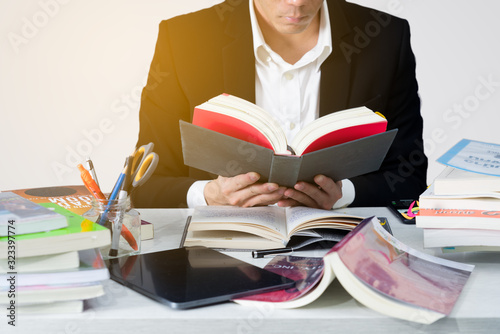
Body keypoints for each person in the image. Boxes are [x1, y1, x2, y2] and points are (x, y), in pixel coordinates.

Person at [131, 0, 428, 209]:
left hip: (338, 246)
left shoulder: (385, 38)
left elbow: (410, 176)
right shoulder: (183, 39)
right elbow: (143, 183)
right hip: (219, 254)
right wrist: (209, 194)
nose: (296, 3)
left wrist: (344, 193)